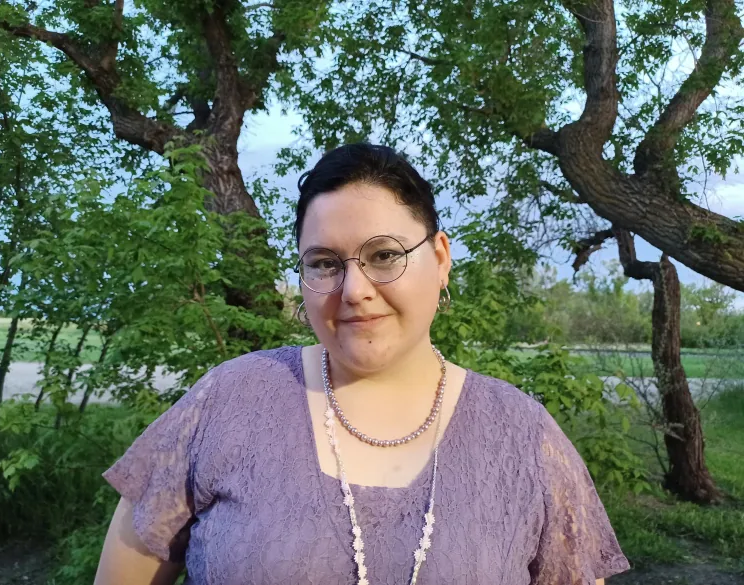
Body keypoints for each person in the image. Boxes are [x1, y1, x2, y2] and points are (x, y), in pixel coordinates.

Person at [94, 144, 630, 585]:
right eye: (325, 263)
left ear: (440, 259)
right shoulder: (227, 401)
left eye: (384, 255)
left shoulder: (523, 437)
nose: (354, 291)